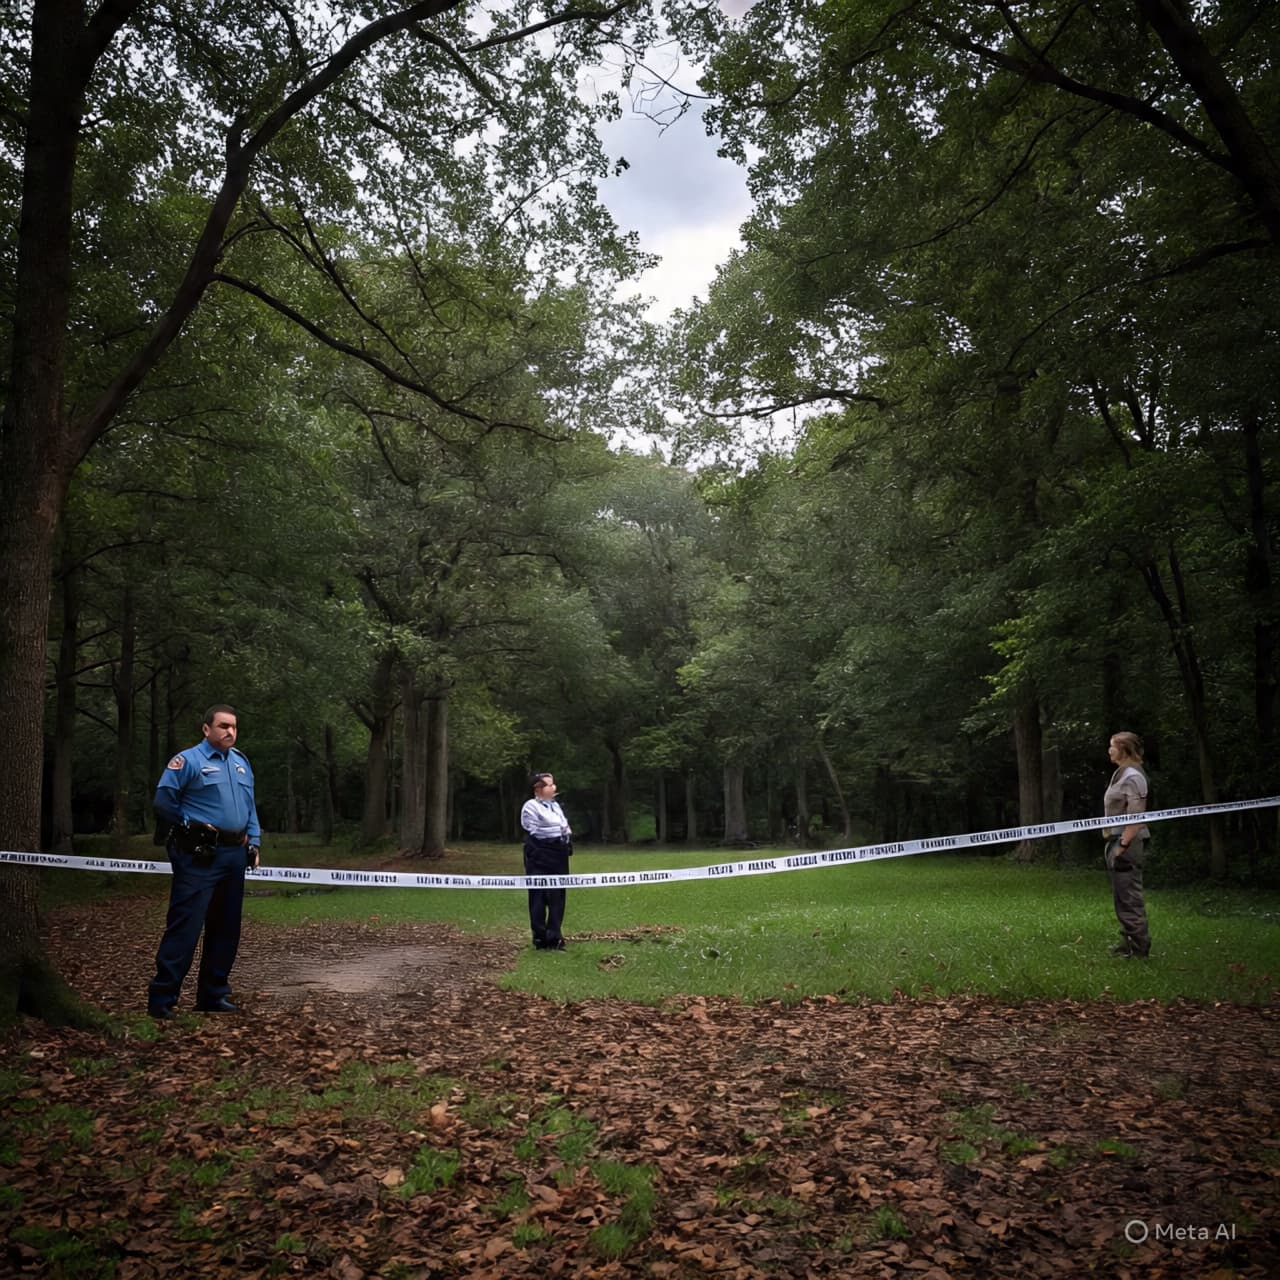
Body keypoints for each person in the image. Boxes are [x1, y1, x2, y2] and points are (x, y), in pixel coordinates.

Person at [147, 704, 261, 1017]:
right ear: (206, 729)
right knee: (186, 926)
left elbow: (250, 806)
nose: (230, 732)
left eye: (234, 727)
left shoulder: (240, 762)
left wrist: (255, 841)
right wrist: (188, 825)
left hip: (234, 854)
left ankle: (213, 994)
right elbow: (163, 801)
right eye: (223, 726)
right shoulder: (188, 761)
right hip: (199, 855)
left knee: (226, 928)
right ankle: (162, 999)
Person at [1103, 730, 1151, 958]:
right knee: (1122, 895)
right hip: (1116, 840)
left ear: (1123, 749)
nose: (1109, 750)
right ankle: (1128, 943)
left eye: (1112, 746)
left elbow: (1136, 816)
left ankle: (1139, 947)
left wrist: (1122, 844)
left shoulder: (1133, 776)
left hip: (1127, 844)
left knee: (1129, 895)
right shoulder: (1121, 774)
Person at [520, 772, 572, 950]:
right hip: (539, 855)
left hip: (559, 854)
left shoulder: (556, 806)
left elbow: (564, 827)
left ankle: (555, 937)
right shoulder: (530, 806)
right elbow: (534, 830)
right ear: (538, 789)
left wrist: (562, 833)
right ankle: (540, 938)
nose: (554, 788)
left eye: (553, 784)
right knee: (539, 896)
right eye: (550, 785)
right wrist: (556, 830)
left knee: (558, 896)